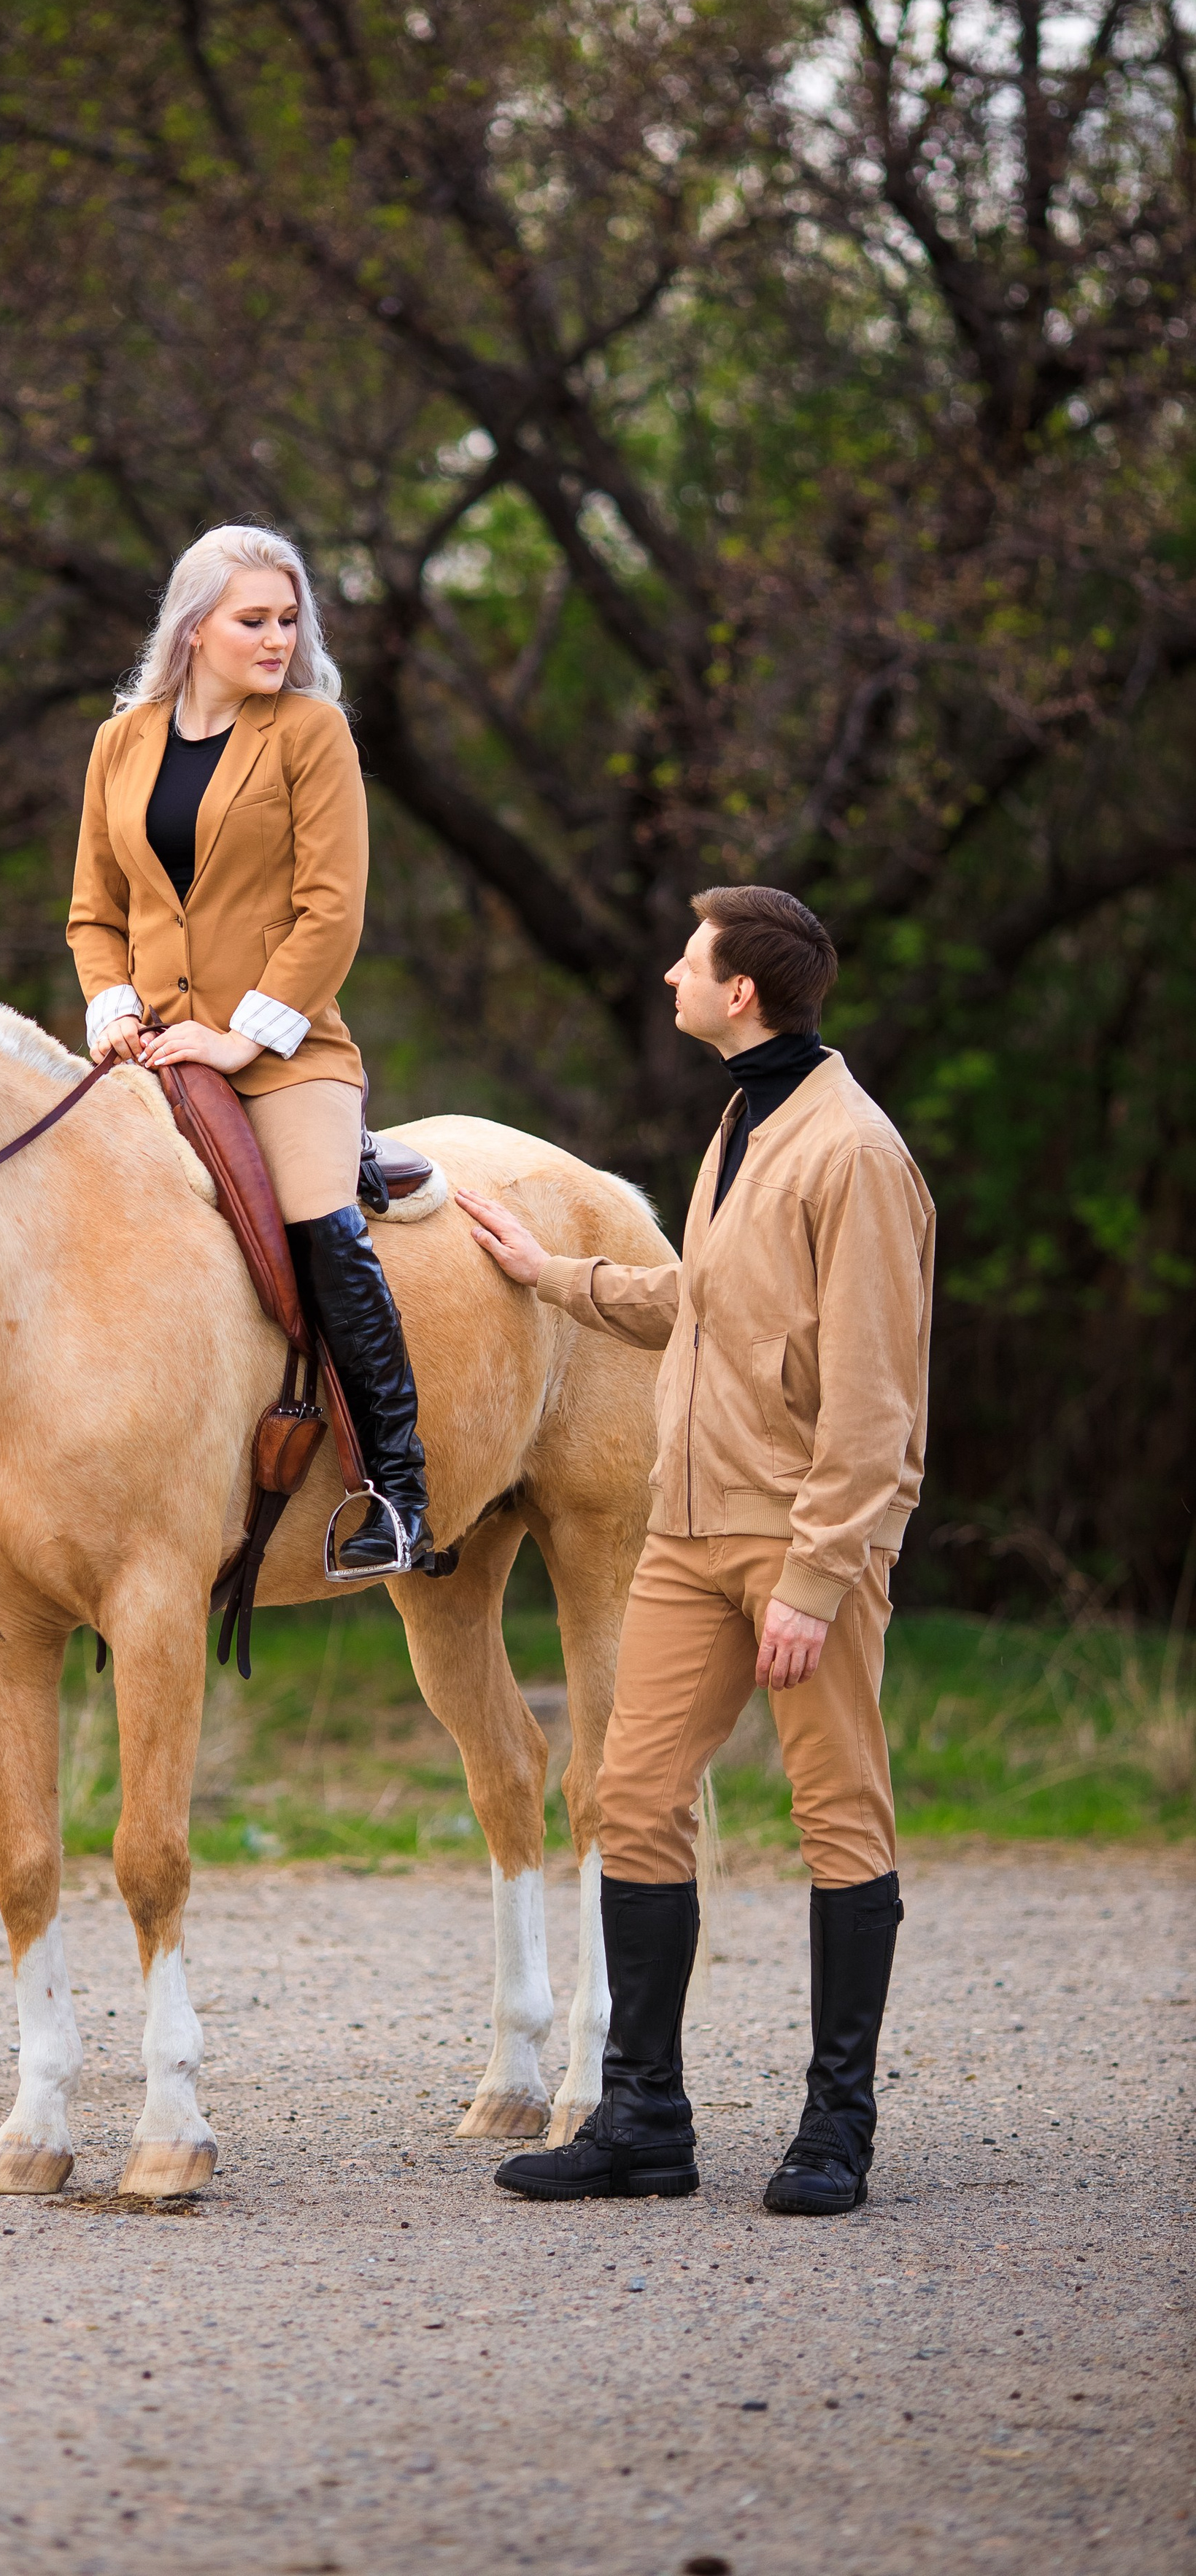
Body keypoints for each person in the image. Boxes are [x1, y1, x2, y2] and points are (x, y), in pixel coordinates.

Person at [458, 887, 934, 2214]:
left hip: (798, 1540)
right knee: (634, 1794)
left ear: (742, 993)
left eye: (690, 956)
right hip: (685, 1527)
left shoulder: (857, 1156)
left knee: (837, 1816)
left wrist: (819, 1576)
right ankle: (644, 2122)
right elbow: (705, 1304)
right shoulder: (743, 1117)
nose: (669, 968)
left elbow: (877, 1400)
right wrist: (552, 1274)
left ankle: (837, 2129)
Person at [67, 522, 431, 1574]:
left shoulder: (312, 733)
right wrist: (112, 1013)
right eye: (254, 621)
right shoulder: (119, 743)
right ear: (193, 630)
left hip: (285, 1048)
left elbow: (332, 911)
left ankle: (397, 1495)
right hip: (145, 1052)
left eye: (289, 620)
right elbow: (95, 911)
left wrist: (239, 1039)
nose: (279, 639)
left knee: (322, 1228)